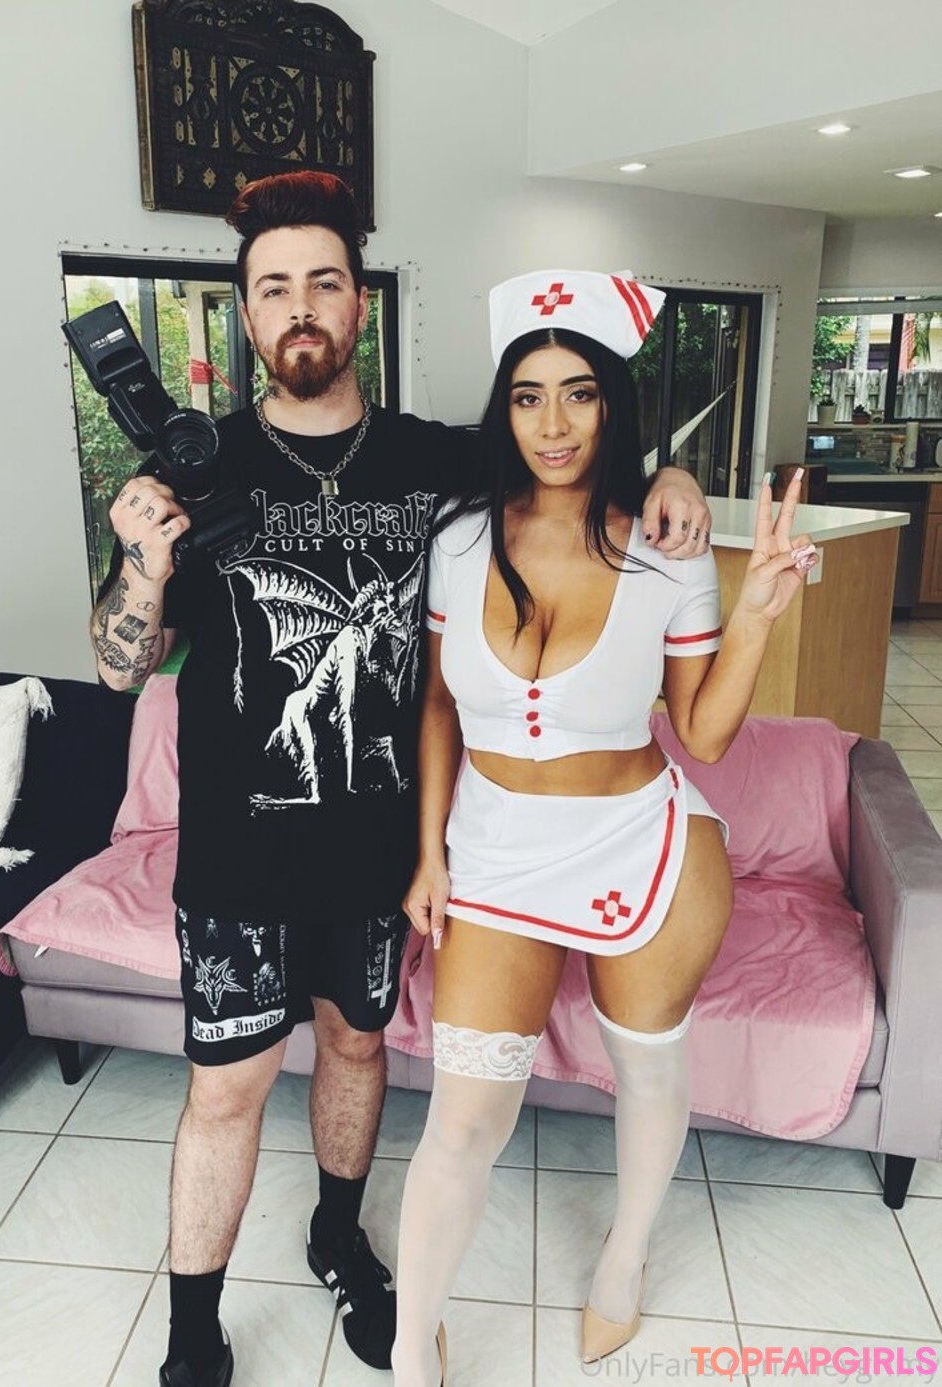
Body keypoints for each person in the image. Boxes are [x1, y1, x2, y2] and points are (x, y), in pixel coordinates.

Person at [88, 177, 713, 1387]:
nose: (301, 306)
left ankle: (339, 1239)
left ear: (358, 305)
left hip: (381, 849)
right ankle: (190, 1331)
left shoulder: (436, 460)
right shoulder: (196, 474)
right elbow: (118, 667)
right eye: (275, 287)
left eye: (324, 281)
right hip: (239, 853)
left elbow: (570, 454)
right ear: (247, 314)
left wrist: (672, 483)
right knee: (227, 1088)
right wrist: (142, 566)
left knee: (358, 1051)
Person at [390, 269, 817, 1386]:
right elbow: (437, 708)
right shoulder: (457, 541)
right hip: (494, 852)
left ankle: (624, 1258)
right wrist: (430, 853)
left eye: (579, 394)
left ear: (612, 406)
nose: (554, 424)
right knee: (461, 1122)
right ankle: (410, 1340)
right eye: (528, 396)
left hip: (645, 846)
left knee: (647, 1070)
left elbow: (705, 734)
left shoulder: (668, 547)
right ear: (504, 410)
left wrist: (758, 610)